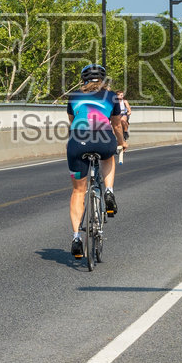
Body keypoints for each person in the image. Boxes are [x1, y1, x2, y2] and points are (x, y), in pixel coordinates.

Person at [64, 64, 128, 259]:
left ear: (83, 80)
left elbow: (72, 120)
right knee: (109, 157)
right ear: (103, 80)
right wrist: (122, 142)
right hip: (103, 140)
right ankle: (108, 191)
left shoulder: (74, 96)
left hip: (78, 141)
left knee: (78, 191)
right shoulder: (111, 96)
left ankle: (76, 238)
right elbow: (117, 125)